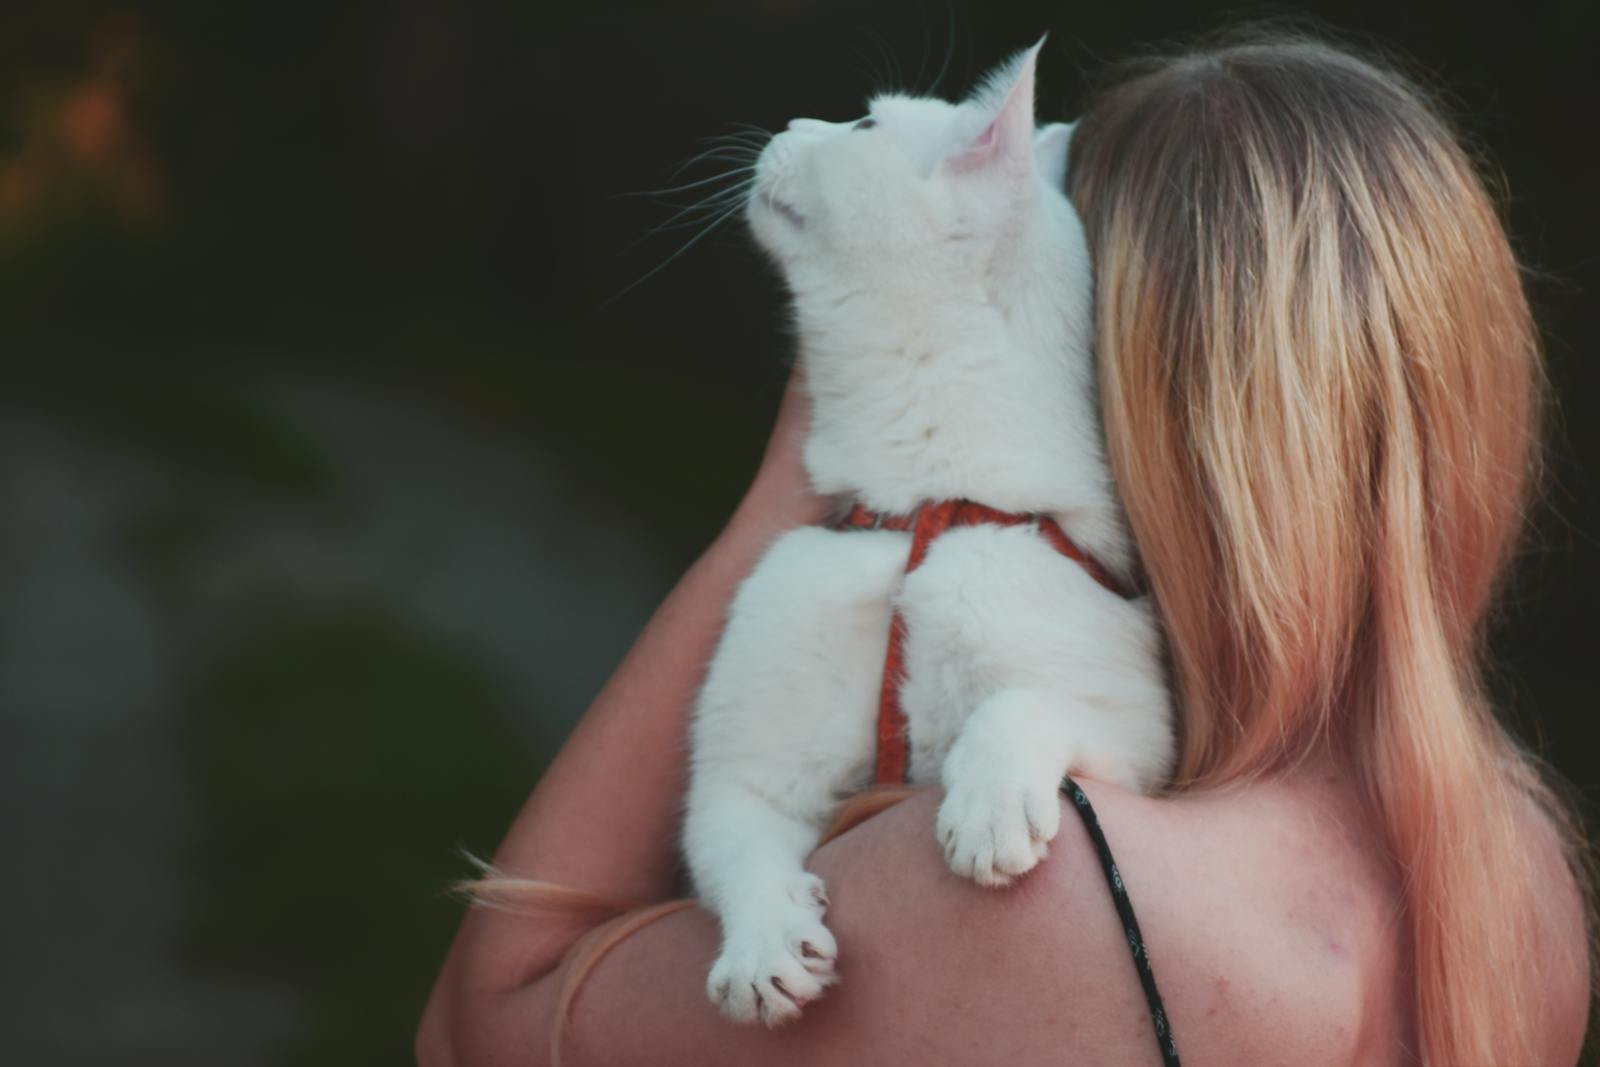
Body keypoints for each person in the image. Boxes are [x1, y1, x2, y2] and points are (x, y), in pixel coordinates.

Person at [418, 31, 1593, 1066]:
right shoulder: (1519, 880)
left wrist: (812, 463)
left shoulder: (1052, 886)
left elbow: (483, 1022)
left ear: (1138, 405)